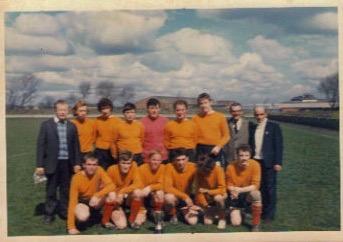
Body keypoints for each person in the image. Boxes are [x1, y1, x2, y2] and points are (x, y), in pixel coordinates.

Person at [36, 100, 81, 224]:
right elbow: (41, 145)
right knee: (51, 190)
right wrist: (39, 165)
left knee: (65, 189)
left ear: (68, 111)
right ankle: (49, 214)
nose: (62, 112)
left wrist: (77, 163)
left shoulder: (72, 126)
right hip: (52, 163)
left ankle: (64, 212)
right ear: (56, 111)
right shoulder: (46, 125)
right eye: (60, 110)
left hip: (67, 163)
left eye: (65, 110)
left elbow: (76, 146)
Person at [67, 153, 115, 235]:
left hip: (95, 200)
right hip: (83, 202)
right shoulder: (76, 178)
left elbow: (111, 185)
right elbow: (72, 202)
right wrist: (70, 227)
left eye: (94, 164)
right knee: (82, 216)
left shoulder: (99, 170)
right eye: (89, 164)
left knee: (112, 194)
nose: (92, 167)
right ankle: (84, 219)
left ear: (97, 165)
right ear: (84, 165)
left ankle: (105, 221)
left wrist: (97, 195)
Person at [250, 106, 283, 222]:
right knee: (260, 188)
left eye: (261, 114)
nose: (259, 117)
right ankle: (261, 211)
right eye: (257, 115)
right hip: (256, 161)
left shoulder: (274, 127)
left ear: (266, 114)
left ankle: (269, 215)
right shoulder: (254, 128)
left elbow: (279, 146)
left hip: (269, 163)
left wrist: (278, 162)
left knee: (270, 189)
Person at [102, 150, 144, 230]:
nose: (126, 166)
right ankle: (105, 220)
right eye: (123, 163)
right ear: (118, 163)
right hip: (114, 200)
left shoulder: (134, 166)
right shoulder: (111, 169)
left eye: (128, 163)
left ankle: (132, 221)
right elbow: (104, 188)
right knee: (122, 225)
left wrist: (123, 191)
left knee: (138, 192)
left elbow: (139, 184)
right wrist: (116, 197)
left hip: (125, 196)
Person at [225, 144, 262, 232]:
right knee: (235, 223)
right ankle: (238, 211)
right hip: (235, 195)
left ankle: (255, 224)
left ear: (250, 156)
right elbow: (228, 185)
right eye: (241, 155)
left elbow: (255, 185)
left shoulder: (255, 165)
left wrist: (240, 190)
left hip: (246, 192)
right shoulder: (230, 167)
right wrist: (234, 191)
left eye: (246, 155)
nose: (244, 158)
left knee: (256, 194)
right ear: (237, 156)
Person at [192, 93, 230, 168]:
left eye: (205, 103)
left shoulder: (220, 117)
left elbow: (226, 135)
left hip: (214, 150)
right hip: (200, 150)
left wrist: (218, 146)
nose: (203, 105)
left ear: (210, 102)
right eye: (201, 103)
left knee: (216, 173)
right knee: (201, 173)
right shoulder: (195, 118)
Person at [164, 148, 199, 225]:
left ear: (187, 159)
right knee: (168, 197)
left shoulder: (194, 167)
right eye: (178, 160)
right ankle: (172, 214)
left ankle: (182, 211)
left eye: (183, 159)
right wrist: (185, 196)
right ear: (174, 160)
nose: (180, 162)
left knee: (193, 222)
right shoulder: (169, 167)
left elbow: (199, 186)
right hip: (176, 198)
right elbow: (167, 187)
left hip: (187, 200)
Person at [195, 155, 227, 229]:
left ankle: (222, 218)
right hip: (207, 197)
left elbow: (222, 189)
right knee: (207, 223)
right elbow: (198, 190)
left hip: (218, 195)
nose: (201, 173)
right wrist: (205, 205)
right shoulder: (198, 171)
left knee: (218, 198)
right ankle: (214, 211)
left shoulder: (218, 170)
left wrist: (208, 191)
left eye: (203, 171)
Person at [137, 150, 166, 229]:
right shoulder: (141, 168)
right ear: (148, 160)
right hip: (143, 194)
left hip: (154, 195)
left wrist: (150, 188)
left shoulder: (163, 168)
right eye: (153, 160)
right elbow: (139, 186)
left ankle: (156, 212)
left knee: (160, 193)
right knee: (137, 192)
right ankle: (142, 210)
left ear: (161, 161)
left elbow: (162, 184)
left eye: (158, 160)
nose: (156, 162)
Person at [94, 97, 122, 170]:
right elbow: (94, 136)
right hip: (100, 152)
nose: (105, 111)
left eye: (107, 108)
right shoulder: (97, 120)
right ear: (100, 109)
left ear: (111, 108)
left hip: (112, 152)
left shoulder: (118, 121)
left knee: (112, 172)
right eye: (103, 109)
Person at [140, 98, 169, 163]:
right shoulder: (141, 122)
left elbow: (168, 139)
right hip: (147, 158)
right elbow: (140, 140)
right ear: (147, 109)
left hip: (162, 157)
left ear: (159, 109)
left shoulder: (165, 121)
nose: (154, 110)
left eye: (156, 108)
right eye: (152, 108)